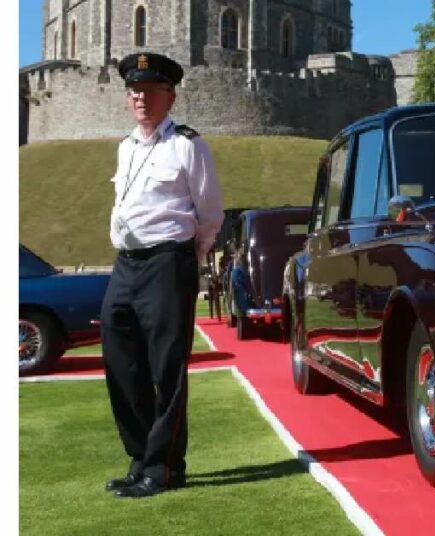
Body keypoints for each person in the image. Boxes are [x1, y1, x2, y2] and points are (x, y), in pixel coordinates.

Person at [101, 52, 224, 498]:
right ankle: (140, 458)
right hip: (126, 263)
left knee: (167, 370)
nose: (141, 97)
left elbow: (209, 214)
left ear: (169, 95)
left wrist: (184, 259)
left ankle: (165, 468)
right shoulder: (126, 146)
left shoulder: (188, 145)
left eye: (151, 90)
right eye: (135, 90)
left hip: (168, 263)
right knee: (121, 362)